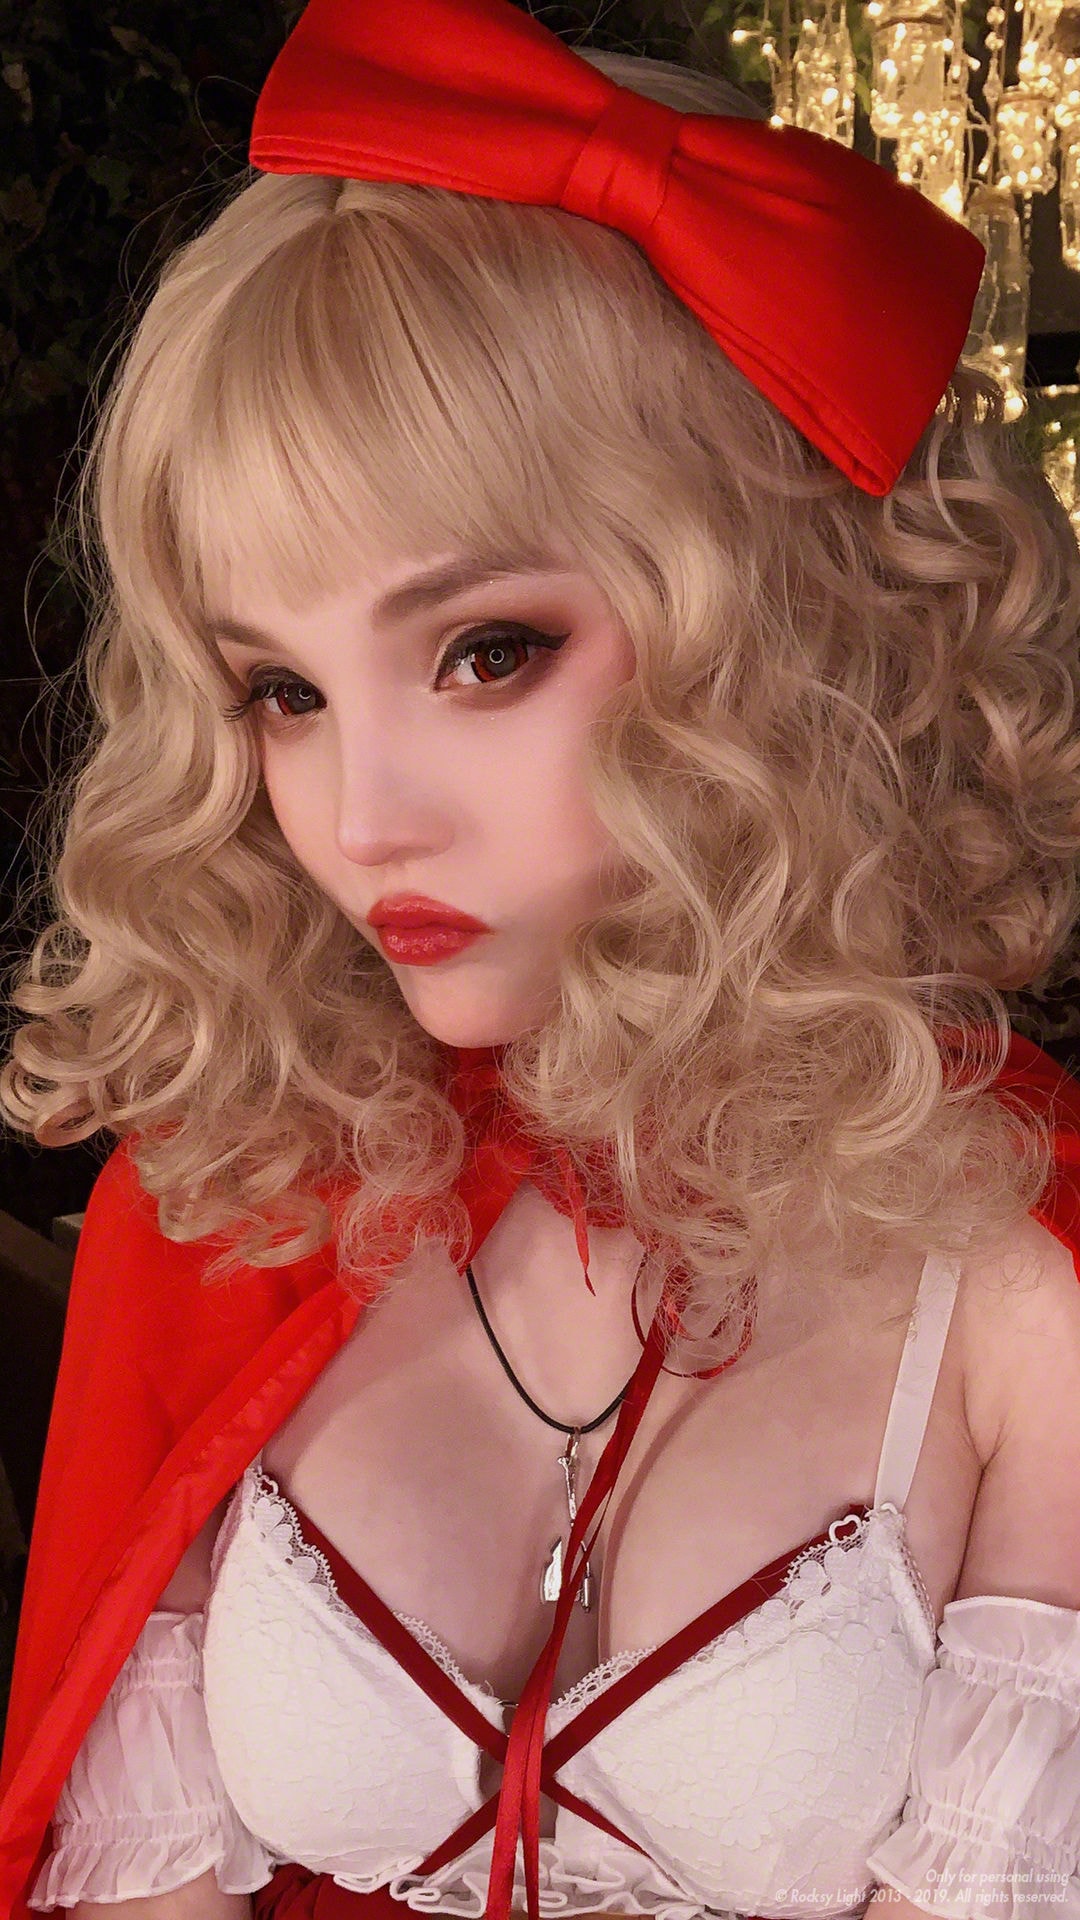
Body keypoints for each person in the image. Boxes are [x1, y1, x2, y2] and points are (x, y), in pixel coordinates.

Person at [1, 1, 1080, 1918]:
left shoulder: (1016, 1267)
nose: (361, 819)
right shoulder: (232, 1194)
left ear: (771, 627)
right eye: (280, 691)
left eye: (485, 652)